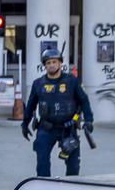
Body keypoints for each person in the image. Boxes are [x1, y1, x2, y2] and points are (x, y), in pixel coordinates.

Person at [22, 47, 94, 176]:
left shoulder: (71, 81)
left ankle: (69, 187)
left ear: (60, 63)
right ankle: (45, 186)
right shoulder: (38, 84)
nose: (51, 65)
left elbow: (84, 100)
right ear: (44, 65)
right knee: (42, 163)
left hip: (68, 129)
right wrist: (24, 124)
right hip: (46, 129)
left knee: (73, 166)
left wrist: (89, 120)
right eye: (48, 63)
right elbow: (30, 105)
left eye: (54, 62)